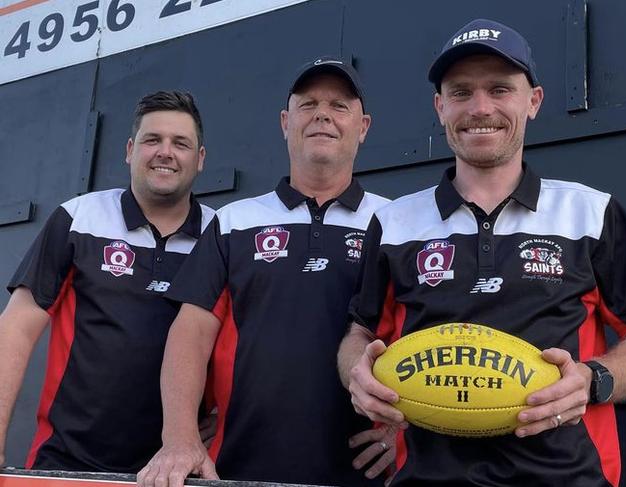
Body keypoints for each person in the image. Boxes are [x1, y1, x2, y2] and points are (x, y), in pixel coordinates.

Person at [337, 18, 626, 487]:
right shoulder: (397, 223)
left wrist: (594, 379)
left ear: (534, 101)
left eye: (500, 89)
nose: (480, 107)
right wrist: (356, 376)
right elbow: (358, 335)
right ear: (440, 107)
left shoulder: (590, 211)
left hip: (571, 477)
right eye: (461, 92)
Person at [137, 57, 394, 487]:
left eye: (339, 105)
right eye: (308, 104)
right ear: (284, 122)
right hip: (235, 469)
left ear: (363, 126)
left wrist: (404, 433)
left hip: (362, 474)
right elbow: (191, 332)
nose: (322, 115)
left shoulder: (395, 223)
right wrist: (179, 438)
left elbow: (420, 332)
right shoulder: (235, 221)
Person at [0, 91, 216, 473]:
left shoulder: (222, 233)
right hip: (67, 463)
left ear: (199, 159)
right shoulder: (79, 219)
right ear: (130, 150)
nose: (165, 152)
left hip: (175, 471)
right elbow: (16, 329)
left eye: (180, 143)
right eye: (153, 140)